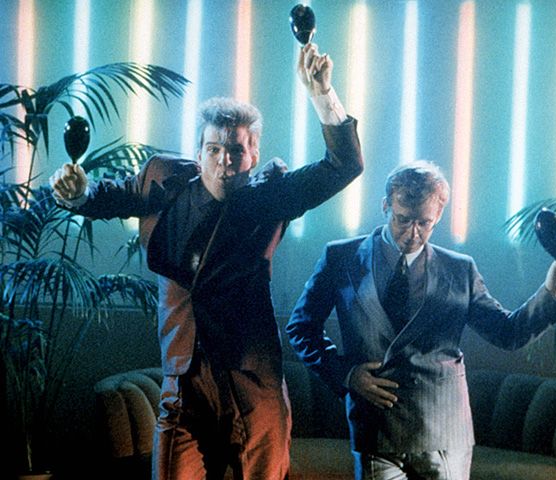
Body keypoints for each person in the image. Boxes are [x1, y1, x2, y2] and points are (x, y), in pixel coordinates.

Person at [49, 43, 363, 480]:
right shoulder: (164, 180)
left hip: (252, 384)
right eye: (213, 149)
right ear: (199, 154)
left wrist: (322, 94)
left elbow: (343, 165)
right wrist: (77, 192)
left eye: (235, 151)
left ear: (253, 156)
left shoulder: (271, 197)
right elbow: (109, 195)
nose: (223, 162)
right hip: (183, 382)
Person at [286, 160, 556, 480]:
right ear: (385, 206)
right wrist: (347, 374)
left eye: (424, 223)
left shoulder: (460, 269)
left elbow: (508, 333)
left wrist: (550, 292)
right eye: (403, 219)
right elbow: (301, 327)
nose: (413, 234)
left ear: (438, 216)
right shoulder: (340, 258)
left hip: (443, 430)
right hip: (375, 428)